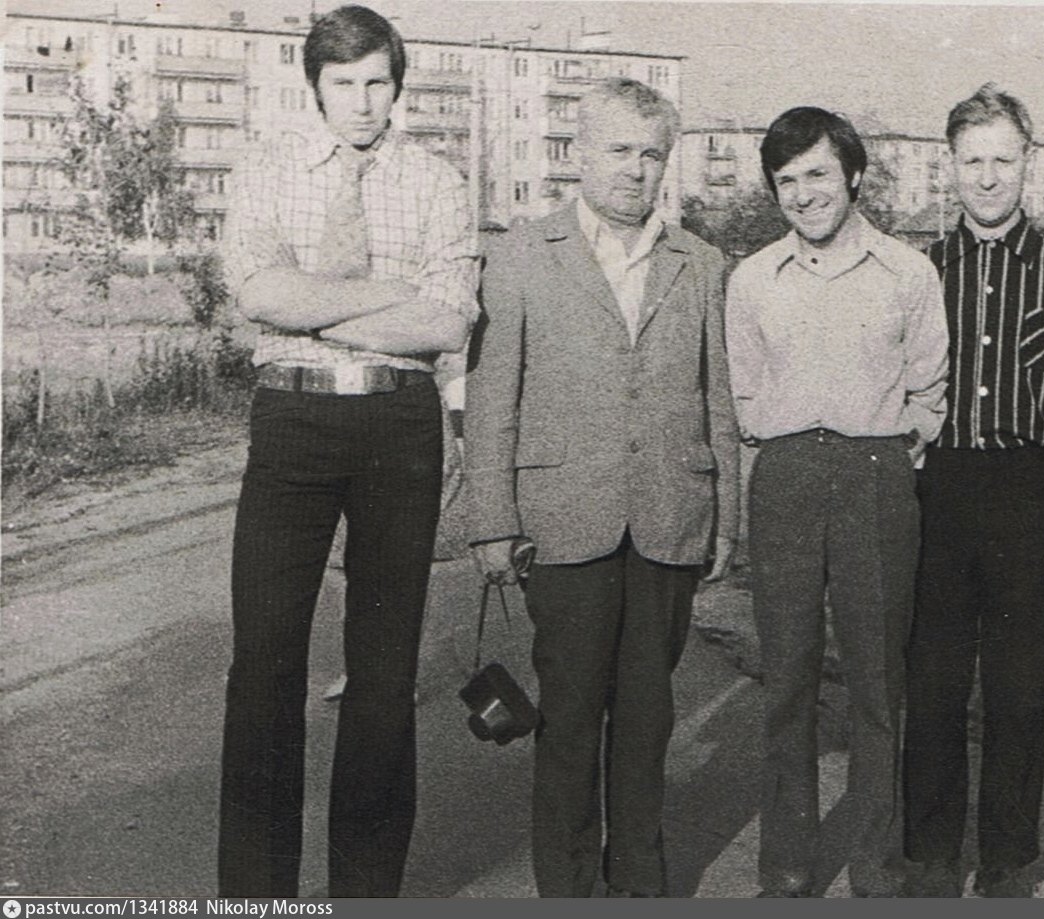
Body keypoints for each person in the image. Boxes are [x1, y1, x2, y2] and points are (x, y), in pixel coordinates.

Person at [217, 5, 478, 897]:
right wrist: (386, 293)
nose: (363, 103)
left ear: (396, 85)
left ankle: (365, 891)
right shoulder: (266, 167)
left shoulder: (436, 179)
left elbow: (446, 320)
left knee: (383, 668)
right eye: (344, 84)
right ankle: (256, 894)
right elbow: (258, 292)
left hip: (397, 424)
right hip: (291, 419)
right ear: (316, 87)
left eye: (377, 82)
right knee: (263, 661)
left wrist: (312, 301)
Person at [465, 77, 738, 898]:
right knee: (570, 718)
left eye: (651, 153)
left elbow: (717, 397)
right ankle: (568, 886)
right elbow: (492, 396)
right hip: (562, 520)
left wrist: (724, 516)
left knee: (648, 718)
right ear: (579, 153)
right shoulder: (520, 254)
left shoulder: (701, 263)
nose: (634, 169)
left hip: (668, 515)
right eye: (618, 149)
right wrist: (490, 519)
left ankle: (640, 885)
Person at [724, 107, 950, 897]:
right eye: (785, 180)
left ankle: (877, 868)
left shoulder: (907, 272)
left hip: (874, 476)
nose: (803, 194)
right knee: (785, 679)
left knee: (877, 683)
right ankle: (785, 866)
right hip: (784, 475)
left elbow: (929, 387)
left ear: (853, 175)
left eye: (817, 173)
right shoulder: (752, 278)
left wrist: (888, 449)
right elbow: (743, 390)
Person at [902, 84, 1044, 898]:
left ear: (1028, 163)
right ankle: (930, 854)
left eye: (1001, 160)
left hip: (1027, 494)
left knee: (1017, 691)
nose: (986, 178)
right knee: (934, 683)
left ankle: (1004, 860)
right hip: (940, 492)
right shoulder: (922, 269)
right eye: (971, 161)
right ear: (948, 167)